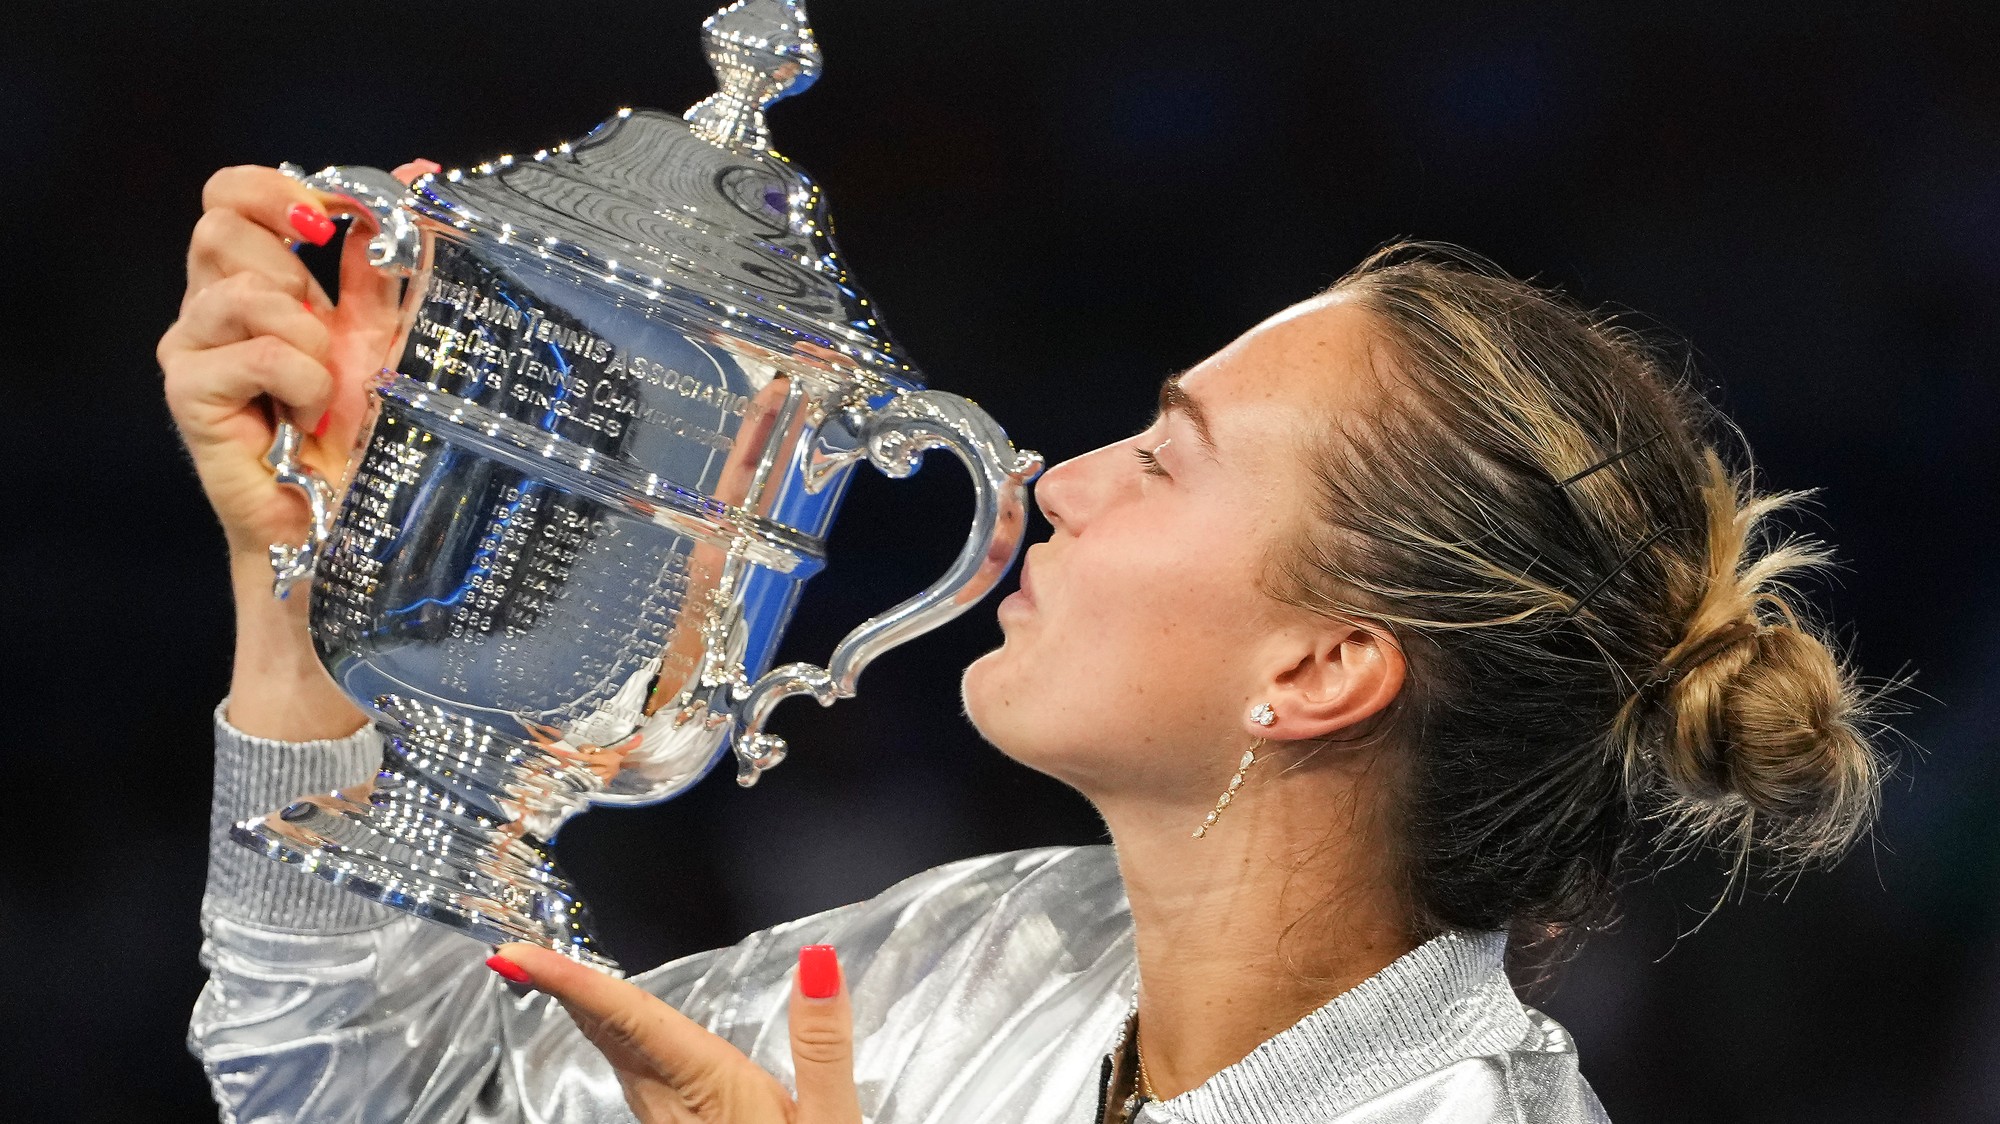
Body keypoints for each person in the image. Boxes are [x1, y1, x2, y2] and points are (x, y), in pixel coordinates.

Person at [164, 164, 1889, 1124]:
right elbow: (373, 1094)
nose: (1062, 483)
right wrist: (306, 571)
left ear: (1318, 670)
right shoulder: (1000, 951)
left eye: (1166, 457)